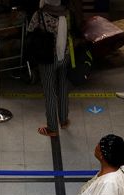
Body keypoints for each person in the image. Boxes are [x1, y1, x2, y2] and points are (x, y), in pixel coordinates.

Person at [27, 0, 70, 137]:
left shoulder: (40, 15)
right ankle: (63, 120)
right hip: (65, 55)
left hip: (48, 59)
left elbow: (30, 32)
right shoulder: (67, 13)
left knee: (50, 92)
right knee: (63, 87)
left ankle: (52, 127)